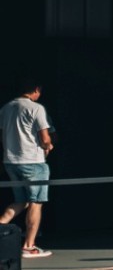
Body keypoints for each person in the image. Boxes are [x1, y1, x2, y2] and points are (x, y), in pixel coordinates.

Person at [0, 80, 56, 260]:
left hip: (10, 161)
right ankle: (29, 246)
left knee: (20, 201)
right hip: (33, 161)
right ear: (36, 90)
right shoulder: (36, 108)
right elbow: (45, 138)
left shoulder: (6, 108)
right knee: (35, 202)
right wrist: (48, 146)